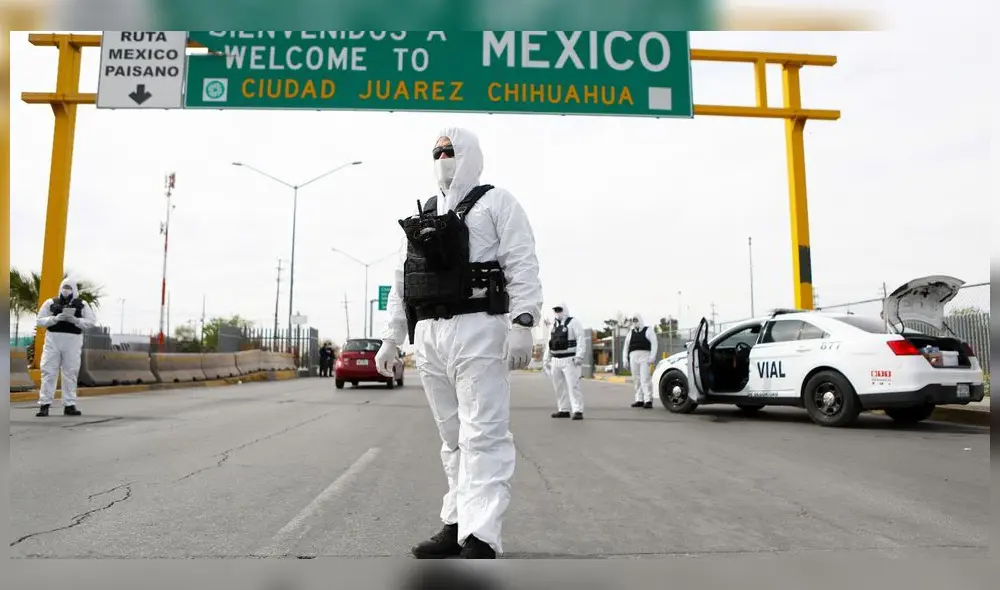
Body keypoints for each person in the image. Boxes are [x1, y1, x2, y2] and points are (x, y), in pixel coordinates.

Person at [374, 127, 543, 560]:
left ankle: (482, 534)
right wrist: (391, 338)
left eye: (449, 151)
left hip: (478, 328)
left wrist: (523, 321)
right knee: (452, 437)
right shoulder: (423, 215)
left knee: (483, 433)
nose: (443, 158)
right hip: (429, 334)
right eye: (436, 152)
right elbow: (401, 281)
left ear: (468, 154)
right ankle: (456, 523)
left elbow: (522, 261)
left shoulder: (497, 203)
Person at [34, 278, 96, 417]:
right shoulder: (51, 303)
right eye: (64, 287)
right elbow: (39, 320)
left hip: (72, 343)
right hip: (53, 342)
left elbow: (91, 321)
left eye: (69, 287)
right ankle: (44, 405)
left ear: (74, 289)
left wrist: (76, 320)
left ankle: (69, 405)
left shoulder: (82, 305)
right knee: (48, 372)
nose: (66, 290)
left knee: (71, 373)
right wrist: (55, 319)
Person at [543, 302, 586, 420]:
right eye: (555, 310)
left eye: (559, 309)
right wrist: (546, 360)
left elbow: (581, 339)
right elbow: (549, 343)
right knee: (559, 387)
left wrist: (579, 356)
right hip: (556, 360)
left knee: (573, 386)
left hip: (570, 359)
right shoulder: (553, 326)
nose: (557, 312)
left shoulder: (573, 323)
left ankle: (577, 410)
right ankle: (563, 409)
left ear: (564, 309)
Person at [623, 314, 658, 409]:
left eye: (636, 320)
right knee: (636, 379)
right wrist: (625, 359)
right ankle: (639, 399)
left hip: (645, 357)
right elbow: (626, 347)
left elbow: (654, 343)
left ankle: (648, 400)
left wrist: (652, 356)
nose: (635, 322)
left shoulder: (648, 330)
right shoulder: (631, 332)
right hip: (633, 357)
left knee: (645, 378)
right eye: (633, 320)